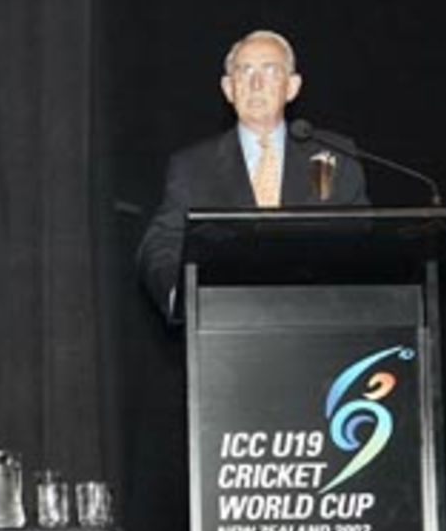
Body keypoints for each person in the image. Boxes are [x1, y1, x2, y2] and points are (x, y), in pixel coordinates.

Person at [136, 28, 369, 319]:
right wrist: (180, 295)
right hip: (229, 325)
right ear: (228, 89)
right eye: (244, 72)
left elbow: (361, 234)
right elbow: (162, 242)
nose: (256, 83)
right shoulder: (193, 166)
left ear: (292, 86)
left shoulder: (334, 154)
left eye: (270, 71)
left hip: (324, 319)